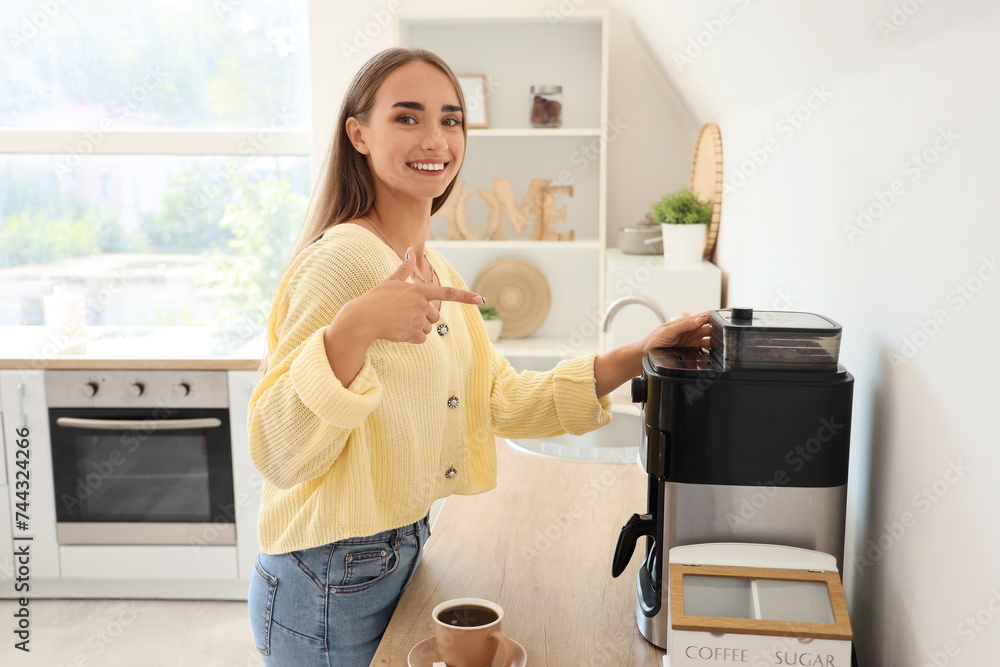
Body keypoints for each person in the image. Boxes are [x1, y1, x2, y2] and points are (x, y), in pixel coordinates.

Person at [246, 47, 711, 667]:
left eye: (452, 119)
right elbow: (276, 452)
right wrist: (351, 331)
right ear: (357, 133)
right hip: (327, 573)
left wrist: (635, 355)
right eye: (407, 118)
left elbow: (502, 400)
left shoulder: (435, 266)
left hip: (395, 552)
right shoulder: (339, 263)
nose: (435, 138)